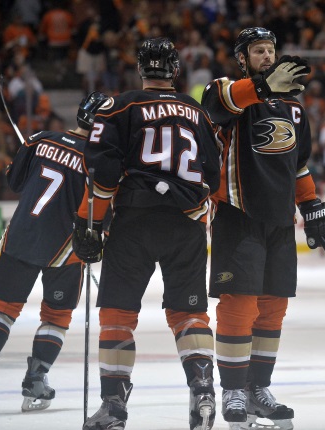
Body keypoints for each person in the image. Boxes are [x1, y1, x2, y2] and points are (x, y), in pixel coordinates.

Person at [72, 37, 222, 430]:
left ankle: (114, 408)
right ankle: (203, 390)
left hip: (135, 220)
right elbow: (215, 173)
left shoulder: (119, 105)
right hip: (187, 223)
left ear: (140, 70)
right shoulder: (198, 112)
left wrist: (91, 223)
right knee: (190, 313)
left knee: (118, 313)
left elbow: (103, 173)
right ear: (175, 71)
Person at [201, 27, 325, 429]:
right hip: (238, 216)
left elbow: (298, 165)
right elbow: (214, 107)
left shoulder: (294, 106)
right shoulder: (227, 91)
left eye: (270, 50)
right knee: (240, 305)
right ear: (242, 57)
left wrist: (311, 206)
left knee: (273, 308)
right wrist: (259, 86)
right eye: (258, 50)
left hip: (279, 222)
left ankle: (258, 389)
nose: (266, 55)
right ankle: (234, 391)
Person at [0, 91, 109, 411]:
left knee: (1, 308)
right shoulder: (100, 162)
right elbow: (102, 214)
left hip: (21, 237)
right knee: (56, 317)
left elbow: (14, 182)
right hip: (65, 250)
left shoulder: (40, 138)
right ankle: (36, 379)